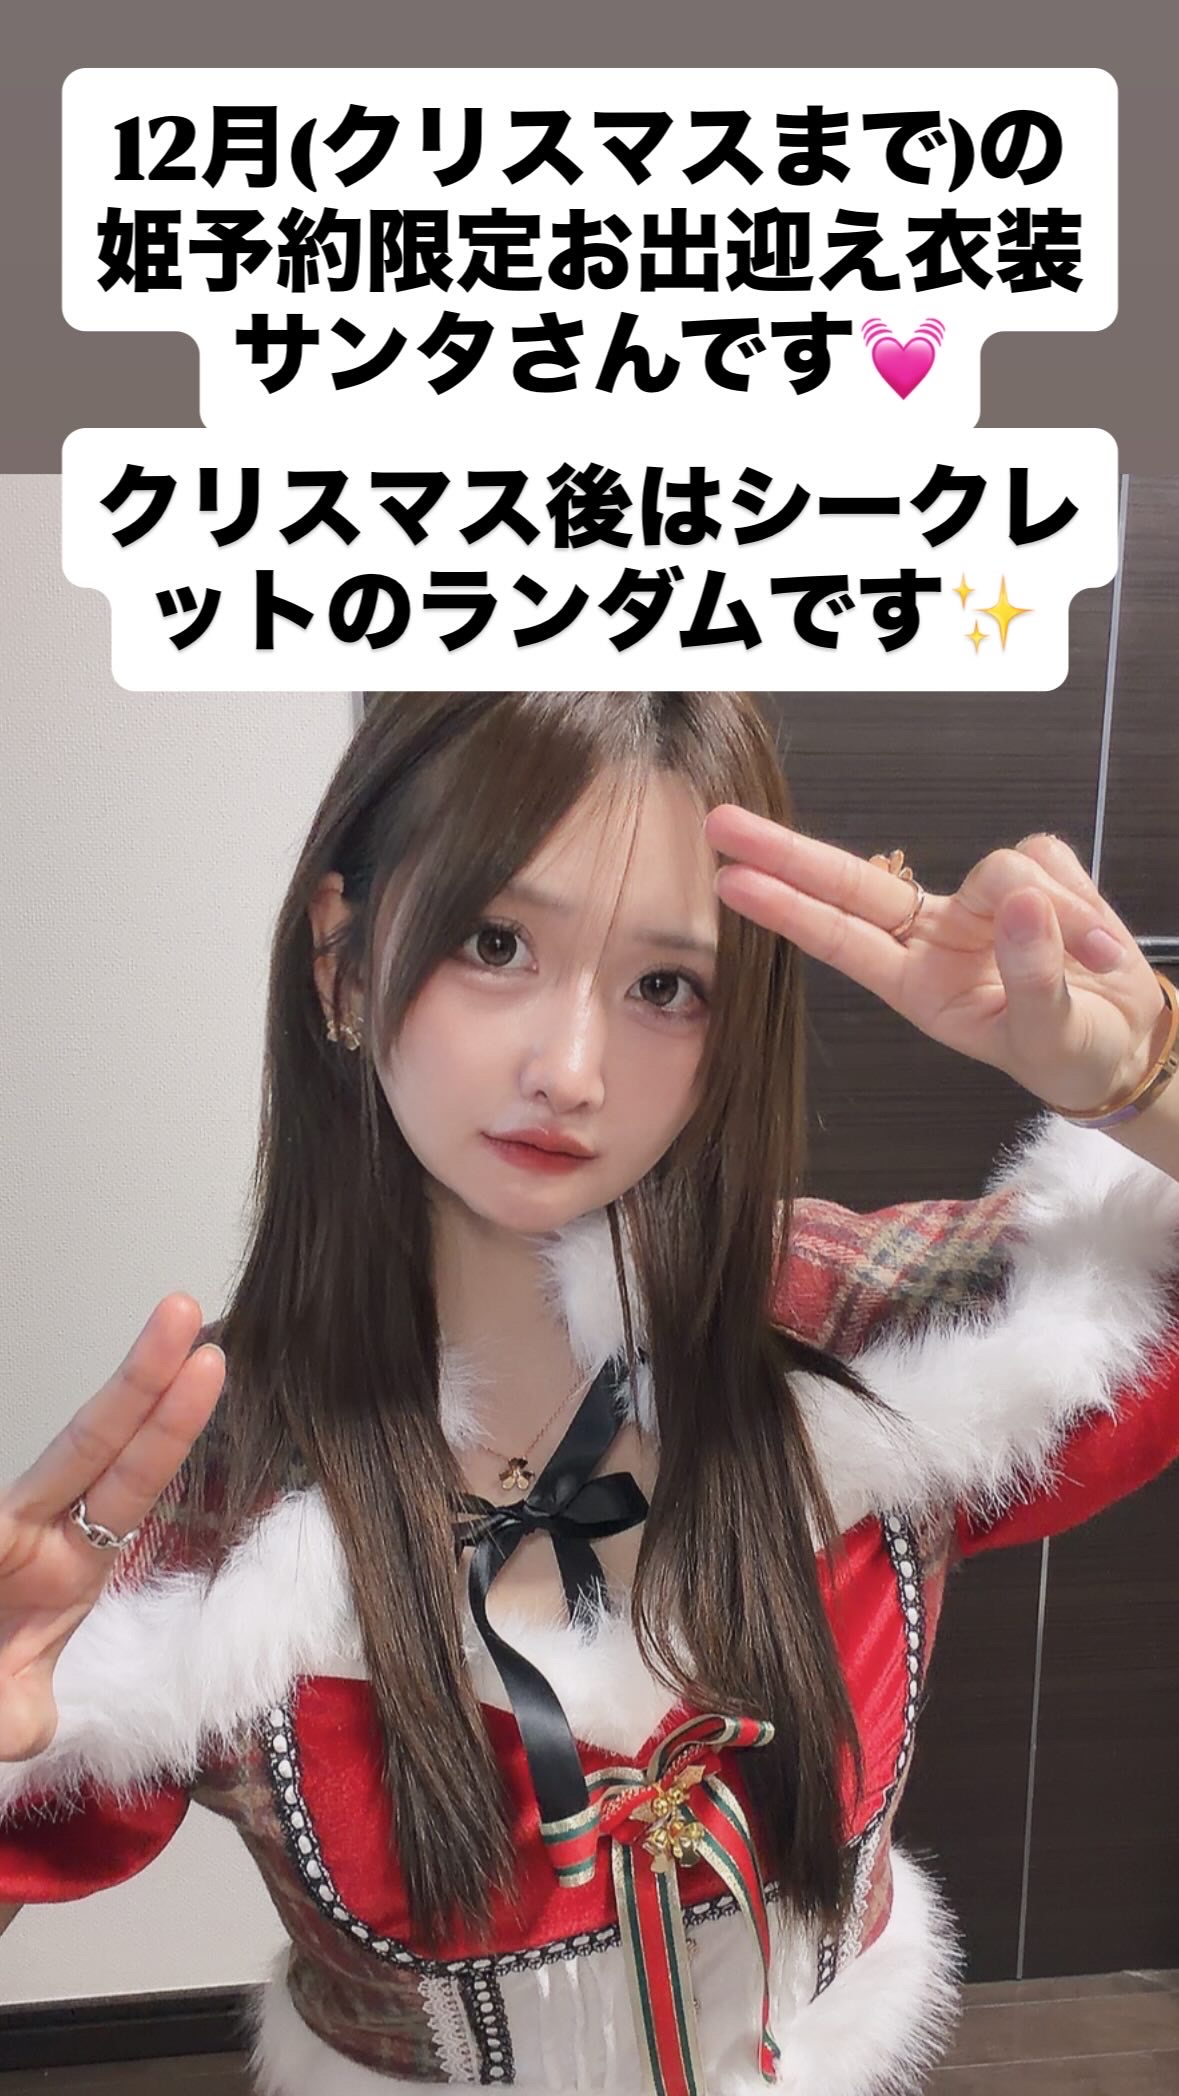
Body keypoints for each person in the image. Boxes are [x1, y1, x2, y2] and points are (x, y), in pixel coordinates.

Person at [1, 689, 1177, 2096]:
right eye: (496, 944)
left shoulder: (847, 1329)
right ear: (343, 962)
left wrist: (1145, 1079)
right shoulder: (198, 1489)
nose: (570, 1071)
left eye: (665, 986)